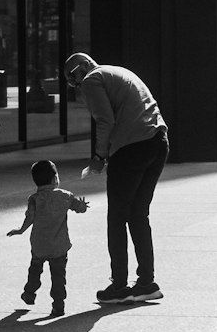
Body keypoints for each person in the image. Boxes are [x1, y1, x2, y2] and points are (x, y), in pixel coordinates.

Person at [64, 51, 169, 304]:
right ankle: (146, 282)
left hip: (131, 147)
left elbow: (105, 120)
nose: (79, 88)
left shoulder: (92, 79)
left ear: (79, 71)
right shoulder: (118, 71)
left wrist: (99, 157)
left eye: (74, 82)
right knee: (138, 214)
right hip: (159, 141)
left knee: (117, 217)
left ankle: (119, 285)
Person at [7, 158, 88, 318]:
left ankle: (29, 293)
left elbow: (30, 218)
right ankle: (58, 305)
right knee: (58, 276)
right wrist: (83, 205)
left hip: (39, 245)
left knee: (35, 271)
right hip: (59, 245)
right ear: (55, 178)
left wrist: (20, 230)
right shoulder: (65, 196)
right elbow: (80, 209)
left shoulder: (34, 199)